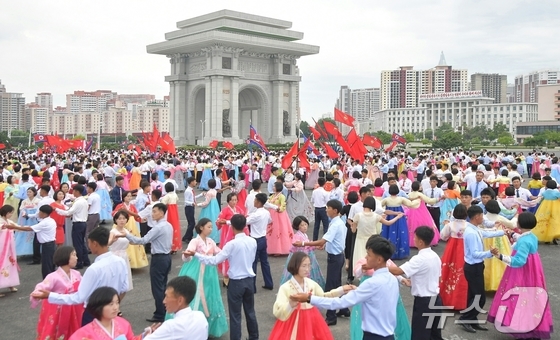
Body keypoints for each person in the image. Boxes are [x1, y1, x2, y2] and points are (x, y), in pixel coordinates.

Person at [291, 235, 399, 339]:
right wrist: (358, 290)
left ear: (379, 259)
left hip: (374, 336)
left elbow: (340, 303)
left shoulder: (371, 283)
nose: (366, 257)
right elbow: (378, 298)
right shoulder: (392, 279)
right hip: (389, 335)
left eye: (369, 255)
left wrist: (309, 298)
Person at [31, 226, 129, 326]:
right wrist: (114, 305)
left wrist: (50, 295)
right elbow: (124, 288)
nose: (88, 245)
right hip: (111, 311)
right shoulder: (120, 261)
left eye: (89, 242)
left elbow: (79, 298)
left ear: (95, 243)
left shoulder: (94, 269)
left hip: (94, 313)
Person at [185, 214, 259, 340]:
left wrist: (196, 254)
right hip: (249, 280)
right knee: (250, 312)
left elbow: (214, 261)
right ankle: (254, 336)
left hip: (236, 282)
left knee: (235, 315)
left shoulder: (232, 244)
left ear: (232, 227)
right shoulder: (252, 241)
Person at [487, 212, 554, 339]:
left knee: (519, 299)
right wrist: (511, 233)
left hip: (522, 273)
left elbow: (519, 261)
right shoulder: (532, 237)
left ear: (519, 224)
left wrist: (500, 256)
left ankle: (523, 328)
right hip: (532, 272)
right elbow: (521, 238)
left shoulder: (524, 241)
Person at [292, 199, 349, 326]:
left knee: (331, 287)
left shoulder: (335, 224)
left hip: (335, 258)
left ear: (335, 210)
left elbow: (322, 241)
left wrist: (302, 243)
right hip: (338, 255)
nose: (326, 209)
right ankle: (344, 308)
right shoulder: (338, 222)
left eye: (328, 208)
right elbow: (329, 241)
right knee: (337, 283)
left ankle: (331, 316)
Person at [270, 252, 347, 340]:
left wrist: (341, 290)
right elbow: (277, 311)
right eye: (304, 266)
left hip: (312, 320)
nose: (307, 269)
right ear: (295, 266)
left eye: (309, 265)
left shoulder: (311, 283)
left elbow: (323, 297)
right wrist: (290, 305)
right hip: (292, 321)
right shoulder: (285, 287)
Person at [119, 203, 172, 323]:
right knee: (163, 285)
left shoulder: (158, 228)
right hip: (166, 257)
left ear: (162, 213)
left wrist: (127, 235)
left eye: (155, 212)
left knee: (157, 288)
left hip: (159, 259)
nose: (152, 214)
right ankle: (164, 310)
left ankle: (160, 314)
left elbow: (143, 240)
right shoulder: (168, 225)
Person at [175, 218, 228, 337]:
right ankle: (191, 328)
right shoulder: (195, 241)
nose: (210, 229)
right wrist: (187, 255)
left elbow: (219, 252)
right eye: (208, 227)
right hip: (196, 270)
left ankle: (208, 327)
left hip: (209, 272)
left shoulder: (211, 241)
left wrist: (228, 253)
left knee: (210, 294)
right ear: (201, 228)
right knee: (195, 295)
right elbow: (186, 257)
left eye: (211, 227)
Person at [389, 226, 444, 340]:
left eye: (415, 238)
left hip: (424, 302)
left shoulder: (419, 259)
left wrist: (380, 264)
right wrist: (415, 283)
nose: (413, 240)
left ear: (420, 242)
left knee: (420, 334)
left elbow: (397, 271)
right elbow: (436, 278)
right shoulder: (435, 256)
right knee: (434, 333)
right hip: (436, 299)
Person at [457, 205, 505, 333]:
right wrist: (490, 253)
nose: (483, 218)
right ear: (477, 216)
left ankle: (471, 319)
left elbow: (486, 233)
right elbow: (475, 254)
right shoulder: (471, 233)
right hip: (473, 267)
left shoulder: (475, 228)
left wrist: (503, 232)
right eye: (482, 216)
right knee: (480, 297)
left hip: (476, 266)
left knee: (473, 295)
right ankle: (466, 318)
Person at [350, 253, 411, 340]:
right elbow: (357, 273)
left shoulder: (387, 262)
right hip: (368, 293)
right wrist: (363, 268)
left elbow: (394, 272)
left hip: (384, 293)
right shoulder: (365, 262)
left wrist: (402, 279)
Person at [30, 246, 84, 340]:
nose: (77, 258)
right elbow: (42, 287)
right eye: (74, 255)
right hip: (58, 311)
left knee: (74, 331)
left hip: (74, 308)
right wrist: (37, 294)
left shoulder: (76, 274)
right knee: (55, 332)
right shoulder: (53, 277)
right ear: (65, 257)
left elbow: (84, 287)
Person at [143, 276, 209, 340]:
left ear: (180, 300)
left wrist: (148, 334)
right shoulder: (200, 316)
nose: (164, 301)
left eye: (167, 296)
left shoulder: (171, 326)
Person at [5, 205, 57, 278]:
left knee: (47, 266)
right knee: (50, 264)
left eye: (40, 212)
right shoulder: (50, 220)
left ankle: (48, 282)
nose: (38, 213)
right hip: (50, 245)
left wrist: (14, 227)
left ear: (44, 214)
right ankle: (52, 281)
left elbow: (29, 229)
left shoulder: (45, 223)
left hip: (48, 245)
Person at [352, 196, 403, 269]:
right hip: (373, 241)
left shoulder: (358, 216)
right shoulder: (376, 216)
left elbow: (353, 231)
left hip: (360, 240)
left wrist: (353, 227)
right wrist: (398, 217)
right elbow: (388, 223)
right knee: (373, 258)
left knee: (360, 260)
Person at [68, 286, 136, 340]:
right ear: (99, 306)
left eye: (117, 302)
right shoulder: (84, 334)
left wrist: (145, 335)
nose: (115, 307)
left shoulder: (123, 323)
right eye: (111, 304)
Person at [280, 216, 325, 288]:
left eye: (305, 224)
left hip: (306, 257)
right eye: (301, 225)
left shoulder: (304, 234)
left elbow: (307, 244)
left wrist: (315, 246)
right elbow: (296, 243)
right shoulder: (297, 235)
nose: (304, 227)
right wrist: (312, 245)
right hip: (301, 258)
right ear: (297, 226)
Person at [439, 204, 469, 310]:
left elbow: (442, 236)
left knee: (448, 271)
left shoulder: (450, 225)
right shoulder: (468, 226)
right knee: (463, 273)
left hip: (452, 249)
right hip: (465, 249)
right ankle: (462, 301)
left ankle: (447, 298)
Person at [216, 192, 249, 286]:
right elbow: (218, 220)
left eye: (235, 200)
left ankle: (235, 273)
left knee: (237, 253)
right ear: (228, 201)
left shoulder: (239, 209)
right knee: (227, 253)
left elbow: (244, 219)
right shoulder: (225, 210)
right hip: (227, 234)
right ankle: (226, 276)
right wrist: (222, 222)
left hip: (237, 233)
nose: (234, 202)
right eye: (232, 200)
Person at [55, 185, 91, 269]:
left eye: (74, 191)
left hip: (78, 224)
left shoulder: (78, 202)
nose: (73, 192)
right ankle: (85, 260)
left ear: (78, 192)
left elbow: (68, 212)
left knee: (77, 244)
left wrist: (56, 209)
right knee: (81, 243)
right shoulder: (84, 201)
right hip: (83, 223)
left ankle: (79, 262)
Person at [246, 192, 274, 292]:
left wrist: (227, 222)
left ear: (258, 202)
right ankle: (269, 283)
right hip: (263, 238)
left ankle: (252, 287)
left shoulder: (255, 215)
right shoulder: (266, 212)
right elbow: (270, 221)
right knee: (264, 262)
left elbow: (244, 222)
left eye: (255, 200)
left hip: (255, 239)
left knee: (253, 263)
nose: (253, 201)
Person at [108, 211, 134, 291]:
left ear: (127, 220)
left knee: (124, 279)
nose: (122, 220)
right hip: (114, 255)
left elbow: (132, 242)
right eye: (119, 219)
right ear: (116, 220)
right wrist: (113, 240)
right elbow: (108, 243)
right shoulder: (113, 232)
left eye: (124, 218)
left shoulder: (126, 231)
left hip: (124, 255)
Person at [266, 182, 294, 255]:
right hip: (272, 214)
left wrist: (279, 209)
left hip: (280, 214)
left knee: (280, 230)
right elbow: (268, 202)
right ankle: (273, 248)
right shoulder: (272, 196)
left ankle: (280, 249)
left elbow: (283, 205)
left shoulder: (282, 196)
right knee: (273, 230)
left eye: (274, 186)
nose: (273, 188)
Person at [0, 205, 19, 297]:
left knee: (11, 263)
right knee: (2, 264)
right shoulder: (1, 221)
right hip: (1, 247)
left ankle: (11, 284)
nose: (11, 214)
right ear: (5, 212)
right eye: (10, 213)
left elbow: (18, 227)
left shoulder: (9, 221)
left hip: (9, 248)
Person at [196, 178, 221, 244]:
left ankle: (208, 236)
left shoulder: (209, 192)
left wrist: (198, 204)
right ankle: (216, 237)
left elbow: (206, 203)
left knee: (207, 219)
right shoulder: (214, 191)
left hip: (209, 208)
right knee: (215, 218)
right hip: (215, 206)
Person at [161, 182, 182, 252]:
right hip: (175, 212)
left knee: (168, 227)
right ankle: (175, 246)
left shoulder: (167, 196)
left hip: (169, 212)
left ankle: (169, 247)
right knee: (175, 226)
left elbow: (162, 204)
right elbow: (177, 200)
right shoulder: (175, 195)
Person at [182, 177, 201, 243]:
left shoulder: (191, 190)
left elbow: (193, 197)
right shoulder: (188, 191)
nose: (196, 182)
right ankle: (186, 237)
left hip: (191, 207)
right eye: (195, 181)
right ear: (191, 182)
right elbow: (186, 201)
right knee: (192, 223)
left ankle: (189, 236)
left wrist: (201, 195)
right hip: (188, 208)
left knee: (191, 223)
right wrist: (192, 203)